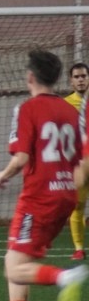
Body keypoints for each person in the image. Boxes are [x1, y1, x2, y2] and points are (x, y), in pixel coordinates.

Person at [0, 50, 88, 301]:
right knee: (17, 260)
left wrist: (2, 175)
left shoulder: (27, 108)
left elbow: (21, 157)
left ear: (30, 76)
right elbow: (80, 160)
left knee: (13, 269)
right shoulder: (71, 111)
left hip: (38, 197)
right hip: (65, 195)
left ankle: (65, 277)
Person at [63, 62, 89, 259]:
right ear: (71, 81)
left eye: (84, 76)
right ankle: (79, 249)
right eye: (77, 77)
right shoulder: (65, 104)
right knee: (77, 205)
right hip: (78, 164)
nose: (81, 80)